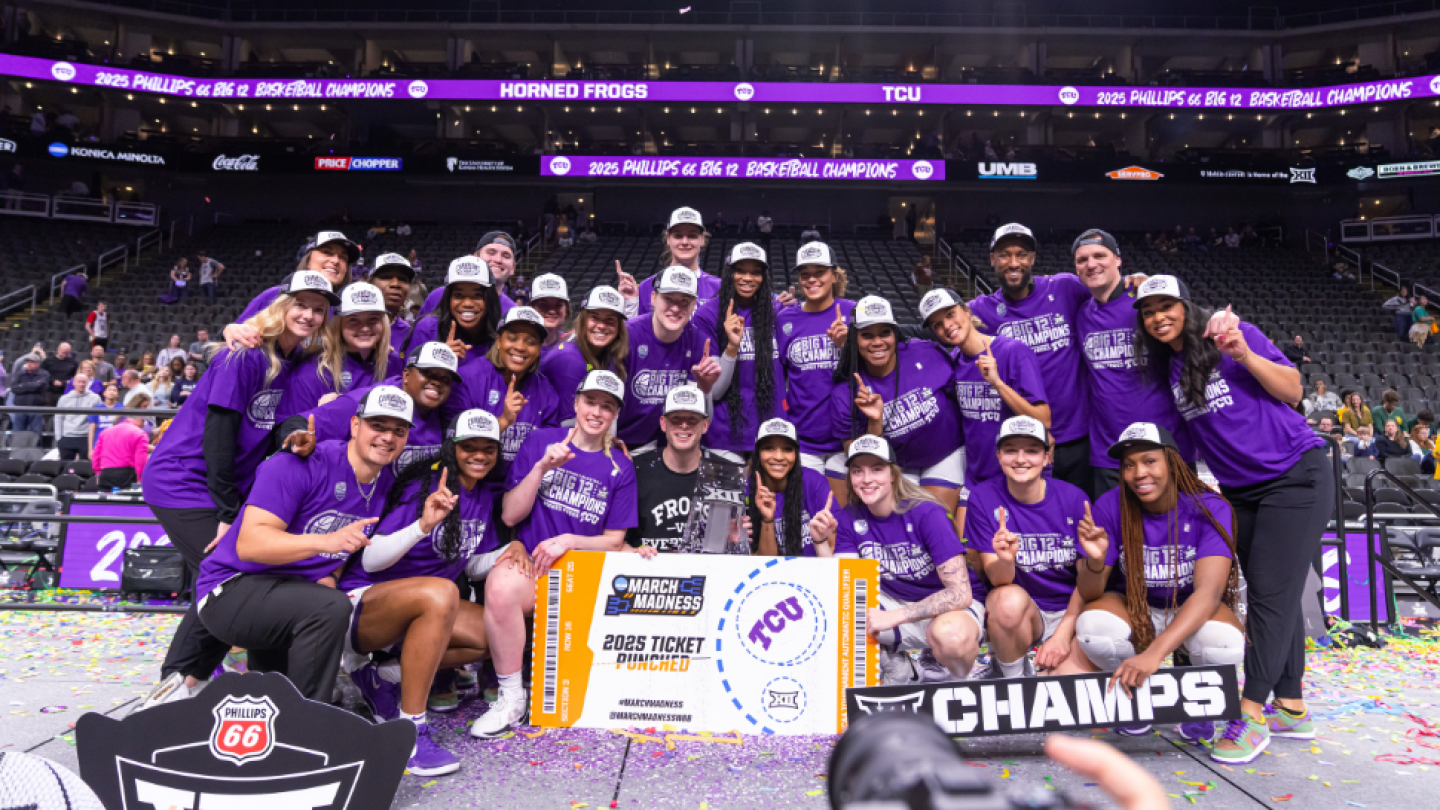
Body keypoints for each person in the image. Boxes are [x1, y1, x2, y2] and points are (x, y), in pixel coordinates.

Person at [1134, 274, 1331, 764]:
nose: (1159, 316)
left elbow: (1292, 389)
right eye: (1148, 310)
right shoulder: (1172, 366)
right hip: (1240, 491)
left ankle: (1252, 713)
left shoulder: (1228, 337)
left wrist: (1243, 353)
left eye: (1167, 306)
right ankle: (1291, 705)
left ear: (1186, 306)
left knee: (1267, 594)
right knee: (1274, 595)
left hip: (1295, 476)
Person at [137, 273, 337, 709]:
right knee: (229, 575)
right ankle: (175, 688)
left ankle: (266, 687)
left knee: (245, 577)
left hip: (218, 487)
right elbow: (219, 436)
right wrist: (230, 511)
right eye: (299, 304)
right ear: (278, 307)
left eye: (318, 309)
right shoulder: (242, 356)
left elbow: (274, 424)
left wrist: (294, 434)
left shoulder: (287, 363)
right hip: (184, 481)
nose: (308, 314)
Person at [162, 387, 413, 718]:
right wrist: (326, 544)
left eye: (398, 430)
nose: (387, 437)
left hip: (287, 596)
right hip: (233, 589)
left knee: (274, 693)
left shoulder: (383, 481)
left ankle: (278, 715)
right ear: (355, 426)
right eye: (377, 426)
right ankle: (308, 723)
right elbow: (251, 544)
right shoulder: (299, 463)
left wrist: (330, 574)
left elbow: (346, 545)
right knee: (329, 608)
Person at [337, 409, 517, 776]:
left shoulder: (481, 495)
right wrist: (421, 526)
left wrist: (511, 550)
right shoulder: (425, 486)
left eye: (488, 448)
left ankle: (376, 677)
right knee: (441, 592)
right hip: (361, 604)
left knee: (491, 636)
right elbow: (370, 559)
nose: (479, 455)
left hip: (424, 607)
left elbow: (470, 565)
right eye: (470, 447)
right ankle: (410, 731)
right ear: (453, 448)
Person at [471, 370, 644, 738]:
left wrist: (568, 539)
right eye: (591, 402)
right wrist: (540, 468)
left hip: (585, 575)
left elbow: (615, 539)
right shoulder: (540, 442)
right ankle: (511, 699)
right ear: (576, 402)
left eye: (607, 407)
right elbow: (509, 515)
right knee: (500, 586)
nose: (596, 412)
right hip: (537, 568)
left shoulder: (621, 466)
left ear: (615, 415)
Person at [1075, 422, 1245, 743]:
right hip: (1137, 607)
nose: (1139, 473)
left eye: (1150, 461)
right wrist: (1096, 561)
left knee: (1222, 644)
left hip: (1191, 608)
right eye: (1129, 465)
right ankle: (1136, 696)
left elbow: (1209, 594)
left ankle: (1197, 701)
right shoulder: (1111, 505)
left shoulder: (1209, 507)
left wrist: (1154, 653)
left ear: (1172, 462)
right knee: (1094, 629)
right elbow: (1089, 592)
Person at [811, 434, 981, 684]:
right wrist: (820, 541)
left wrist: (898, 615)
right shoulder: (850, 517)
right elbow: (843, 585)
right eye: (857, 471)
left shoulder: (926, 512)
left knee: (950, 638)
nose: (866, 479)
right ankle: (902, 669)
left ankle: (961, 685)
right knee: (834, 614)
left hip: (948, 610)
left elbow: (960, 594)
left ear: (893, 474)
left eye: (876, 469)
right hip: (893, 606)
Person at [969, 224, 1096, 498]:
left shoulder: (1065, 288)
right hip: (1025, 442)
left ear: (1033, 258)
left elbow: (1112, 295)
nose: (1013, 263)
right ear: (992, 260)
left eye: (1021, 254)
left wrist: (1139, 282)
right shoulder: (981, 310)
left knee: (1082, 520)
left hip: (1078, 437)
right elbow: (941, 327)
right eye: (1004, 255)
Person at [964, 416, 1093, 679]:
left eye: (1032, 451)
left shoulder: (1074, 498)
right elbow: (999, 581)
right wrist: (1006, 559)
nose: (1021, 459)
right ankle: (1012, 678)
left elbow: (1088, 581)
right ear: (999, 456)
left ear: (1047, 457)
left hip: (1071, 610)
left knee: (1062, 692)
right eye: (1011, 450)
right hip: (1024, 613)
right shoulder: (983, 497)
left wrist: (1063, 634)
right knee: (1005, 600)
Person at [1071, 229, 1190, 495]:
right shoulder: (1080, 314)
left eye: (1100, 255)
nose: (1091, 264)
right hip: (1109, 453)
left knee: (1174, 534)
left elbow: (1192, 332)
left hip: (1165, 445)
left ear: (1118, 260)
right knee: (1115, 534)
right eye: (1082, 259)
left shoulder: (1147, 303)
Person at [831, 295, 964, 516]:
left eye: (885, 332)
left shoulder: (926, 352)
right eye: (867, 335)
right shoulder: (846, 392)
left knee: (936, 516)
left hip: (946, 455)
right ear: (854, 339)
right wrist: (875, 421)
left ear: (896, 333)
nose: (877, 342)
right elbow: (864, 462)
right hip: (897, 467)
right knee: (904, 522)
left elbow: (959, 398)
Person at [919, 289, 1049, 504]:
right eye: (937, 325)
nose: (946, 326)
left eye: (950, 314)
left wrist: (997, 384)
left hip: (1019, 474)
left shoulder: (1012, 351)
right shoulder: (952, 362)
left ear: (966, 311)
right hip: (976, 477)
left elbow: (1043, 419)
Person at [278, 341, 461, 476]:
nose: (436, 382)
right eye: (427, 374)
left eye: (445, 379)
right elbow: (297, 424)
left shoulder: (442, 412)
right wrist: (299, 438)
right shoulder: (374, 399)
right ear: (406, 374)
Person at [777, 242, 855, 502]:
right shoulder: (785, 320)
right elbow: (779, 378)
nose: (811, 279)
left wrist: (849, 348)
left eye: (819, 272)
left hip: (846, 440)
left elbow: (877, 369)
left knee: (845, 518)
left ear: (834, 274)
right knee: (806, 519)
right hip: (804, 439)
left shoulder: (854, 312)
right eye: (804, 273)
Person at [693, 243, 784, 461]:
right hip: (723, 434)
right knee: (723, 496)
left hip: (771, 429)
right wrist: (732, 347)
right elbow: (713, 391)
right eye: (740, 270)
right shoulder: (707, 315)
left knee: (767, 496)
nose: (747, 278)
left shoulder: (778, 313)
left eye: (755, 272)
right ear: (728, 273)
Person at [444, 306, 560, 475]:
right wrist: (504, 421)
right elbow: (454, 444)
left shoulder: (545, 390)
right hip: (474, 484)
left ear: (539, 349)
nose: (520, 347)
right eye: (512, 338)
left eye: (531, 342)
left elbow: (549, 447)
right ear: (498, 341)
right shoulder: (468, 379)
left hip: (520, 486)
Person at [628, 385, 745, 552]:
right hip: (649, 572)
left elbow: (734, 548)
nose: (684, 425)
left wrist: (734, 541)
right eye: (675, 419)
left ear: (705, 425)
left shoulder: (727, 474)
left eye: (692, 419)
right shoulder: (636, 469)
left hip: (706, 573)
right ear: (663, 423)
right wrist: (633, 552)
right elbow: (620, 540)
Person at [616, 267, 722, 451]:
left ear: (693, 305)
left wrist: (705, 390)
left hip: (670, 446)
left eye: (684, 301)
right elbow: (607, 403)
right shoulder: (626, 335)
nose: (675, 308)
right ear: (653, 298)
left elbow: (699, 421)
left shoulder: (697, 341)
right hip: (623, 442)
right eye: (668, 299)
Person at [279, 282, 395, 421]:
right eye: (353, 320)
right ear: (338, 323)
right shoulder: (312, 371)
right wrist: (326, 414)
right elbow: (288, 432)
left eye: (373, 319)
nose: (365, 328)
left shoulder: (394, 364)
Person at [223, 231, 359, 348]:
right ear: (308, 259)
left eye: (343, 257)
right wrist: (229, 330)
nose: (336, 261)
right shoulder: (277, 295)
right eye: (327, 252)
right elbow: (229, 342)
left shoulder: (348, 308)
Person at [540, 286, 628, 426]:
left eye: (610, 320)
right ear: (582, 319)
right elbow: (569, 425)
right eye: (594, 317)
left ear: (619, 327)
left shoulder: (606, 352)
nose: (601, 325)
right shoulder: (568, 359)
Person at [747, 418, 834, 556]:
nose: (779, 457)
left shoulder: (814, 481)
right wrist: (768, 519)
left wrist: (823, 536)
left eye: (787, 449)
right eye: (769, 448)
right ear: (758, 453)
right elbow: (763, 563)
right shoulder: (748, 491)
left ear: (796, 454)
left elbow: (834, 545)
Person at [619, 207, 721, 318]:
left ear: (702, 239)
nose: (685, 242)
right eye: (678, 236)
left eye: (692, 236)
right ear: (668, 239)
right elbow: (637, 332)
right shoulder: (647, 287)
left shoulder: (718, 288)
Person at [403, 256, 502, 371]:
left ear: (489, 299)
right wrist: (439, 359)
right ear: (448, 298)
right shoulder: (427, 328)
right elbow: (408, 381)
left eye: (477, 296)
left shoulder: (501, 336)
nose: (467, 303)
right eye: (458, 295)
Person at [419, 233, 519, 318]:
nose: (498, 260)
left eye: (506, 256)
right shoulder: (437, 296)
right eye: (491, 252)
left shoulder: (514, 313)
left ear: (513, 268)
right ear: (475, 258)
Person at [92, 388, 153, 487]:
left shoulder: (105, 432)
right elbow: (140, 460)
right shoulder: (140, 434)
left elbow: (96, 455)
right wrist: (140, 479)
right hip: (127, 473)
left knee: (104, 502)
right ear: (140, 420)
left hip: (106, 473)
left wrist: (98, 474)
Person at [369, 253, 417, 350]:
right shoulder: (350, 328)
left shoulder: (411, 334)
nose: (395, 284)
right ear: (370, 282)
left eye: (403, 279)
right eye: (386, 277)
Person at [56, 371, 102, 460]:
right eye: (79, 382)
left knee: (85, 468)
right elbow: (58, 418)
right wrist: (59, 438)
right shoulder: (64, 399)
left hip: (86, 437)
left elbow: (97, 419)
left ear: (87, 383)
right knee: (65, 467)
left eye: (84, 382)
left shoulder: (95, 398)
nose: (81, 384)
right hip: (67, 436)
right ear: (73, 383)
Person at [527, 273, 571, 359]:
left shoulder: (572, 344)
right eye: (543, 305)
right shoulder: (519, 346)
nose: (551, 311)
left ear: (566, 310)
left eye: (558, 305)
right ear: (531, 308)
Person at [11, 354, 47, 435]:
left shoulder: (44, 374)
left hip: (36, 407)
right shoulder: (19, 374)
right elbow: (14, 388)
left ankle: (36, 448)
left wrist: (23, 385)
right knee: (18, 432)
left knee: (36, 433)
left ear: (38, 363)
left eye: (32, 362)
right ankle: (17, 448)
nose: (29, 364)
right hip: (20, 407)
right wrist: (32, 385)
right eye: (28, 361)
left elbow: (39, 386)